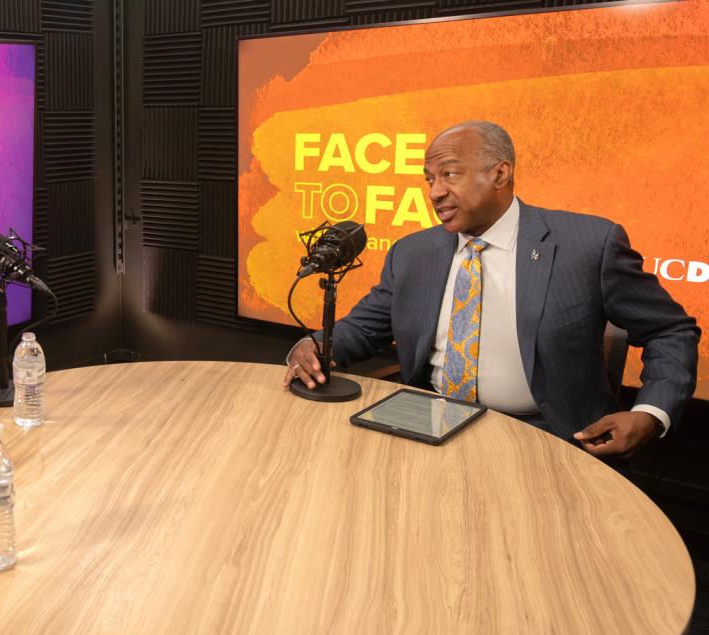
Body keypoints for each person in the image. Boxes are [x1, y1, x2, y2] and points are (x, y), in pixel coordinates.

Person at [285, 121, 700, 458]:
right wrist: (316, 344)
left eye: (449, 174)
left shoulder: (588, 245)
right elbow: (365, 329)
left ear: (500, 173)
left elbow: (670, 331)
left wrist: (649, 413)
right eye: (430, 179)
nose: (434, 192)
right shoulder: (413, 252)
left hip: (550, 437)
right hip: (426, 423)